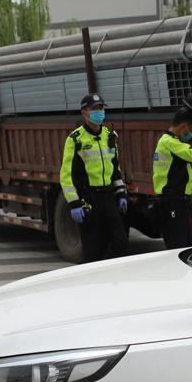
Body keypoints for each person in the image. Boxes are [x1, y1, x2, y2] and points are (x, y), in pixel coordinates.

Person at [60, 93, 128, 262]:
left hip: (108, 196)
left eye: (101, 108)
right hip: (88, 199)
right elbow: (66, 174)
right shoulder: (75, 139)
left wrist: (120, 193)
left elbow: (115, 168)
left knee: (120, 242)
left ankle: (107, 271)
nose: (100, 112)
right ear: (84, 112)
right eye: (95, 109)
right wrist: (74, 203)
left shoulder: (109, 135)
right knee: (92, 249)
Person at [152, 105, 192, 249]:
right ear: (184, 127)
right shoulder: (170, 143)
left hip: (178, 202)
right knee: (177, 248)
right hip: (172, 201)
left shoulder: (173, 142)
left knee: (186, 247)